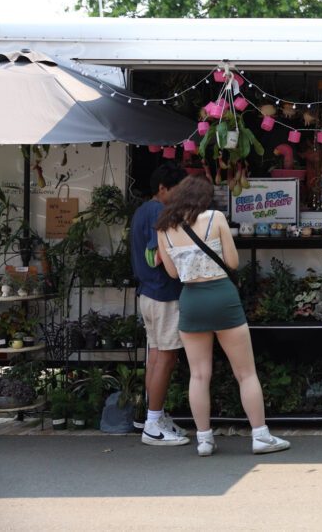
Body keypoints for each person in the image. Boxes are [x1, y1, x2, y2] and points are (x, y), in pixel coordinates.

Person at [155, 175, 290, 457]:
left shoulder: (164, 228)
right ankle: (260, 436)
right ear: (205, 197)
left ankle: (204, 440)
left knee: (199, 375)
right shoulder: (215, 217)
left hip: (191, 299)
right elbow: (232, 262)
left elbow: (171, 273)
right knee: (245, 373)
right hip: (222, 297)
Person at [130, 163, 190, 446]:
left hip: (148, 293)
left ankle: (154, 416)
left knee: (156, 356)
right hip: (164, 293)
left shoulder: (142, 211)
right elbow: (158, 256)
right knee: (165, 357)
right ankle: (153, 423)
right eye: (176, 192)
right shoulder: (159, 213)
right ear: (163, 189)